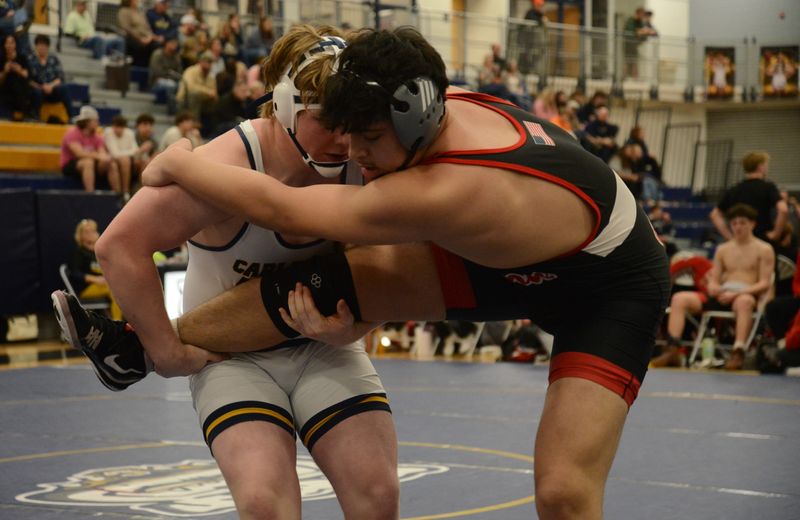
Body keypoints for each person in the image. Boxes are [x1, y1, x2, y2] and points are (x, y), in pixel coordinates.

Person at [58, 27, 670, 520]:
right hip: (511, 254)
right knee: (324, 284)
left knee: (563, 492)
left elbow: (284, 208)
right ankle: (135, 351)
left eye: (368, 139)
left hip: (606, 282)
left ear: (414, 123)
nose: (354, 157)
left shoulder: (446, 189)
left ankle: (135, 351)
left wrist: (179, 161)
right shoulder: (423, 105)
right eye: (347, 135)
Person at [53, 25, 399, 520]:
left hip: (324, 346)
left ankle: (125, 352)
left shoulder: (358, 160)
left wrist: (357, 327)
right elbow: (118, 244)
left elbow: (386, 270)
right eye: (328, 121)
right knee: (265, 504)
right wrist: (167, 351)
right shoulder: (230, 161)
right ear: (282, 104)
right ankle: (135, 350)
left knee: (377, 495)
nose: (345, 139)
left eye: (354, 122)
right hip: (233, 359)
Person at [658, 204, 774, 369]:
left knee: (744, 301)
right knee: (679, 298)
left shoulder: (764, 249)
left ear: (752, 224)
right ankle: (673, 349)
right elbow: (715, 278)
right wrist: (713, 286)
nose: (738, 227)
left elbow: (764, 283)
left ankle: (738, 351)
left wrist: (736, 294)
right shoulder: (723, 249)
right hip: (722, 293)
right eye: (734, 223)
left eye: (742, 223)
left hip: (745, 294)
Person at [709, 151, 788, 242]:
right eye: (766, 165)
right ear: (760, 167)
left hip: (740, 240)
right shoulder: (768, 187)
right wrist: (776, 233)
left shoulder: (734, 189)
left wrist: (729, 237)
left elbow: (714, 215)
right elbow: (783, 209)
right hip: (762, 239)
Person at [68, 219, 123, 320]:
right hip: (85, 288)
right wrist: (95, 279)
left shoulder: (99, 251)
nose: (90, 234)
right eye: (86, 231)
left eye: (92, 231)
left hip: (104, 285)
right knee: (115, 290)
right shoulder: (79, 252)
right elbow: (74, 273)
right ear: (80, 235)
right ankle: (117, 323)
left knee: (121, 287)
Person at [60, 105, 121, 193]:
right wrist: (99, 156)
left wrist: (105, 159)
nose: (98, 123)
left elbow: (102, 153)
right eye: (95, 121)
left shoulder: (97, 137)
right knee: (88, 162)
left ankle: (118, 195)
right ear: (87, 122)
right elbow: (79, 154)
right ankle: (91, 194)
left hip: (92, 164)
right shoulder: (72, 133)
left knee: (111, 164)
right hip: (71, 164)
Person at [28, 34, 72, 122]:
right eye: (39, 45)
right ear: (36, 46)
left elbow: (60, 77)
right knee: (36, 92)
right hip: (38, 89)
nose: (42, 47)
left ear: (48, 47)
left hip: (52, 90)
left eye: (44, 45)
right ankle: (35, 116)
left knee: (64, 88)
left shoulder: (53, 59)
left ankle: (71, 116)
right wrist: (41, 87)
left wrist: (50, 86)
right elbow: (28, 80)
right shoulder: (30, 59)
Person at [176, 50, 217, 122]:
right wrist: (207, 92)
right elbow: (190, 88)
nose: (209, 65)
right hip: (185, 100)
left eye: (211, 63)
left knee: (216, 100)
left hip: (203, 103)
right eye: (207, 62)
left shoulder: (210, 76)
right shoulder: (191, 71)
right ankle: (194, 122)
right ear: (201, 61)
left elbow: (213, 92)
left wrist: (211, 94)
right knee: (194, 94)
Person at [103, 115, 137, 199]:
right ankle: (120, 194)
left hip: (125, 160)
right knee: (121, 162)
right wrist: (128, 153)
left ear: (124, 127)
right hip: (110, 161)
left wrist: (124, 154)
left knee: (129, 160)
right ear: (112, 126)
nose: (118, 130)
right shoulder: (108, 132)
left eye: (121, 127)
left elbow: (136, 150)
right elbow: (114, 154)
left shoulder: (129, 133)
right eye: (116, 127)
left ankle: (127, 192)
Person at [0, 33, 32, 120]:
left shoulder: (22, 58)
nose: (9, 45)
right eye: (7, 43)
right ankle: (24, 113)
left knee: (16, 83)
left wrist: (19, 70)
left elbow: (27, 75)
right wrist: (5, 72)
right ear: (4, 45)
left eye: (12, 43)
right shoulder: (1, 59)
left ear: (15, 44)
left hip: (20, 89)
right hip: (5, 90)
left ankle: (25, 114)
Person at [118, 0, 160, 66]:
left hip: (146, 38)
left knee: (157, 45)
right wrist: (139, 38)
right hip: (132, 38)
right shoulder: (124, 11)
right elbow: (126, 28)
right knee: (137, 47)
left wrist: (150, 37)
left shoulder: (140, 12)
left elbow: (147, 27)